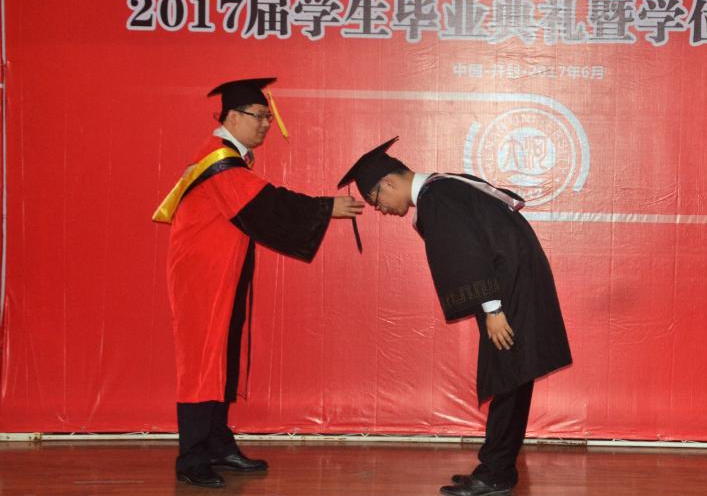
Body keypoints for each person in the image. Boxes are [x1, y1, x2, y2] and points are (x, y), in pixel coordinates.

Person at [153, 78, 363, 488]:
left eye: (268, 116)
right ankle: (192, 457)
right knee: (201, 363)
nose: (266, 123)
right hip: (202, 278)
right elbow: (266, 204)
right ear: (233, 117)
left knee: (220, 359)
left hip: (218, 273)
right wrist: (325, 208)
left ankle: (217, 444)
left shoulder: (230, 157)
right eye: (260, 116)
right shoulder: (219, 160)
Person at [338, 137, 572, 496]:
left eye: (376, 200)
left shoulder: (437, 198)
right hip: (514, 283)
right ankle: (496, 468)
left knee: (508, 378)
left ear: (388, 182)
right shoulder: (445, 186)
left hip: (506, 292)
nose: (381, 209)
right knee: (513, 377)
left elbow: (468, 253)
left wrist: (493, 309)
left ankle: (495, 473)